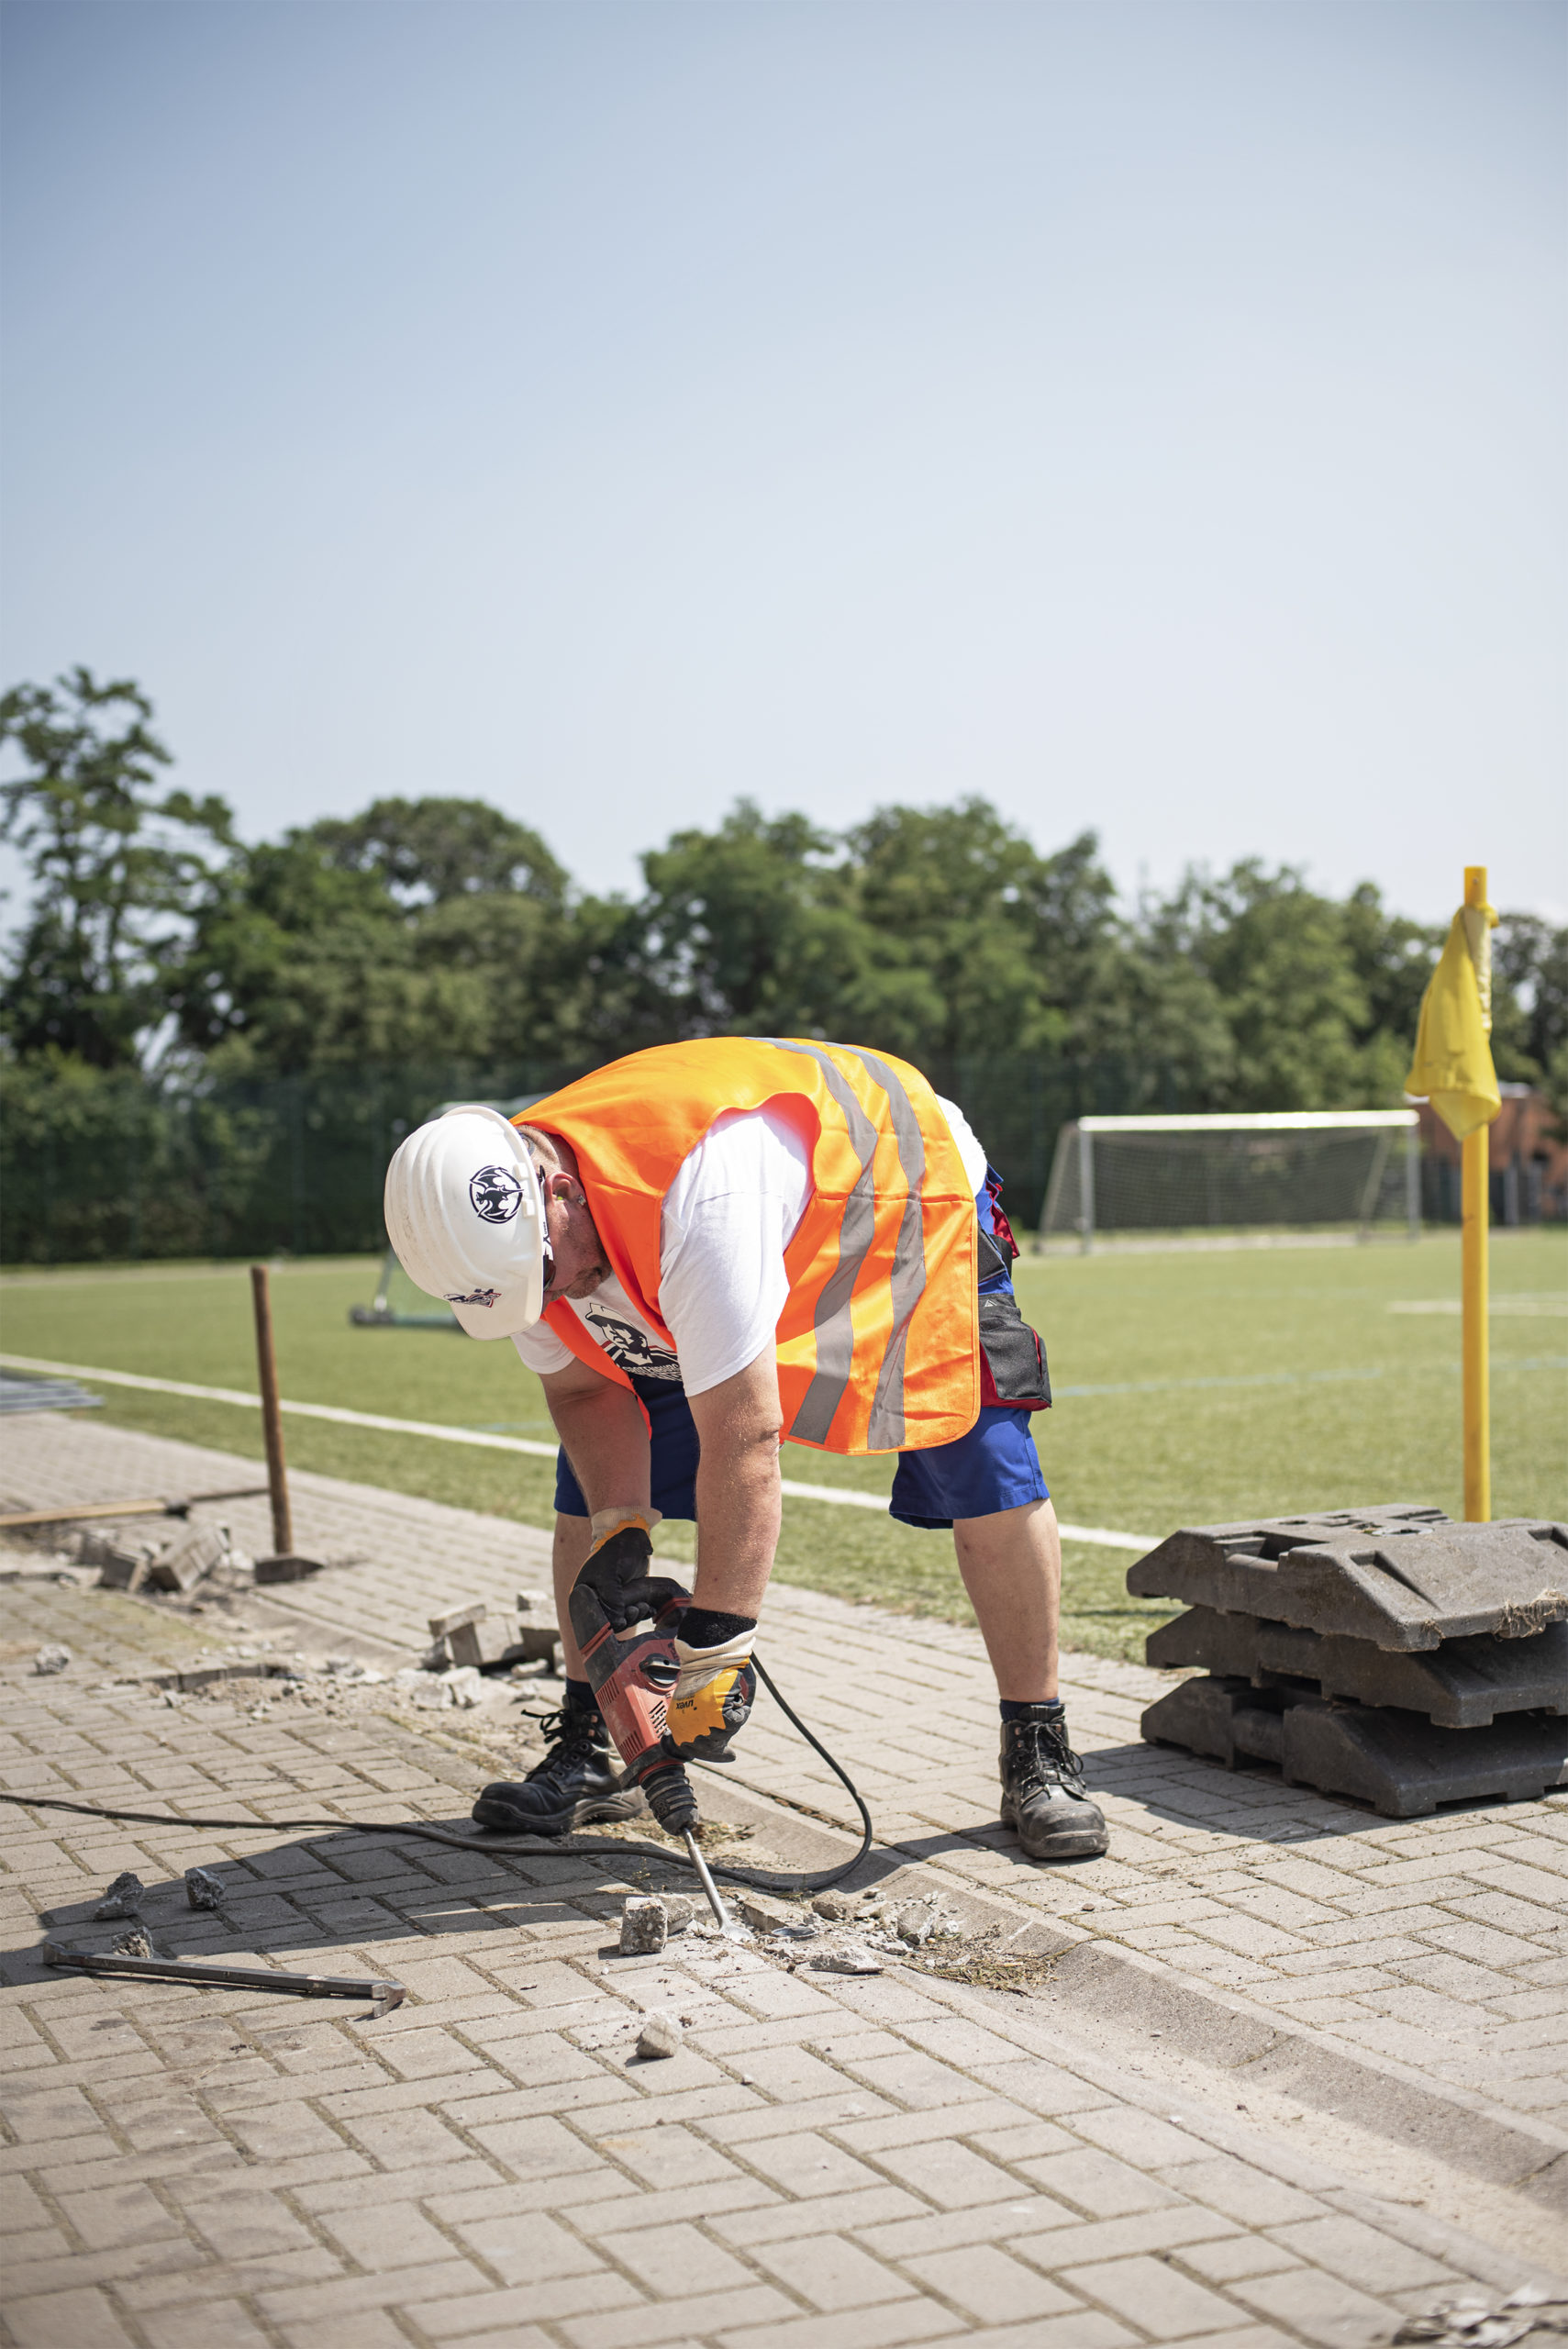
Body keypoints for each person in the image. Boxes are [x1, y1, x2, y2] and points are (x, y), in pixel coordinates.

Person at [384, 1038, 1108, 1863]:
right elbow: (584, 1392)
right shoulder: (517, 1246)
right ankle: (590, 1744)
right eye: (530, 1294)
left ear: (559, 1193)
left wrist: (720, 1642)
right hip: (708, 1241)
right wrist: (621, 1530)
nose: (552, 1300)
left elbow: (744, 1435)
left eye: (548, 1276)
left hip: (896, 1194)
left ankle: (1038, 1750)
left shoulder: (697, 1199)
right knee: (582, 1507)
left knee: (982, 1462)